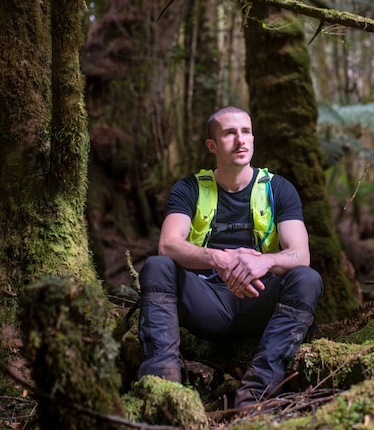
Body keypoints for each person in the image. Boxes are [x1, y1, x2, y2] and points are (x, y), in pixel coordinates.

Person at [137, 105, 324, 408]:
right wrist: (219, 259)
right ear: (212, 145)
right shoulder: (189, 189)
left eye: (246, 132)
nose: (241, 140)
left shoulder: (278, 188)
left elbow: (300, 255)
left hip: (259, 301)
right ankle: (164, 390)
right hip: (206, 301)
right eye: (229, 133)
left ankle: (256, 395)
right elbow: (168, 245)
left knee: (307, 278)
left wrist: (263, 261)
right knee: (157, 267)